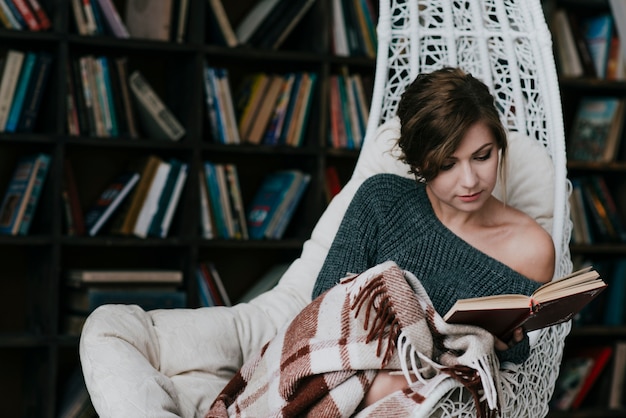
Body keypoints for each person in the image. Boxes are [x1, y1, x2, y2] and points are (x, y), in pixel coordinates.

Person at [309, 67, 556, 407]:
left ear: (499, 146)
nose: (469, 180)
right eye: (446, 164)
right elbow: (324, 310)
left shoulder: (531, 249)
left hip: (438, 401)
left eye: (482, 156)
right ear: (418, 162)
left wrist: (505, 344)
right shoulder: (381, 200)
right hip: (347, 376)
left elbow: (510, 371)